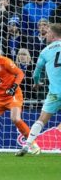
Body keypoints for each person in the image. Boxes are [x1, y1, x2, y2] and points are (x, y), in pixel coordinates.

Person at [0, 40, 40, 154]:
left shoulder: (4, 61)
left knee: (15, 118)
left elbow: (20, 73)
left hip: (12, 95)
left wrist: (13, 87)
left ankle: (33, 144)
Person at [15, 23, 61, 156]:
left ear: (52, 34)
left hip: (54, 93)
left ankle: (27, 145)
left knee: (41, 120)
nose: (45, 35)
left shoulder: (45, 51)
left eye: (47, 33)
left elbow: (36, 73)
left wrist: (36, 83)